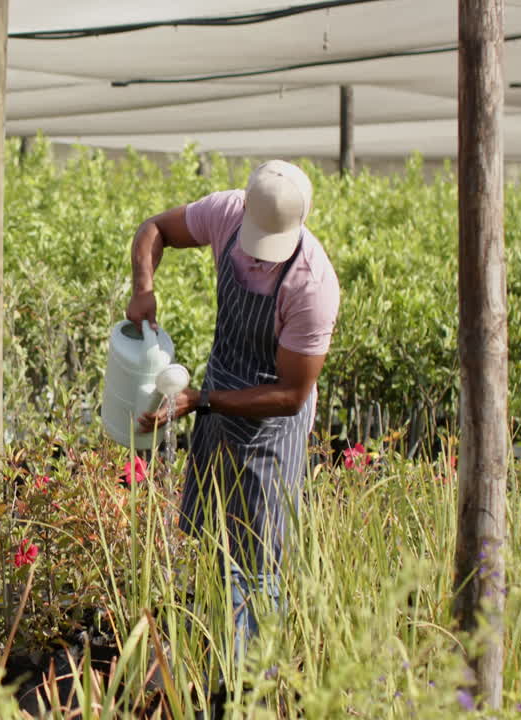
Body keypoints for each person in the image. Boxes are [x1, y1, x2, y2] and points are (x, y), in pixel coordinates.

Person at [125, 160, 340, 673]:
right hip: (218, 401)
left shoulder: (312, 285)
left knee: (258, 565)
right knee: (216, 548)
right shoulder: (226, 213)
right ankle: (217, 670)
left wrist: (201, 401)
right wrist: (143, 286)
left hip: (271, 429)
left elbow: (290, 393)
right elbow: (154, 229)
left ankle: (251, 689)